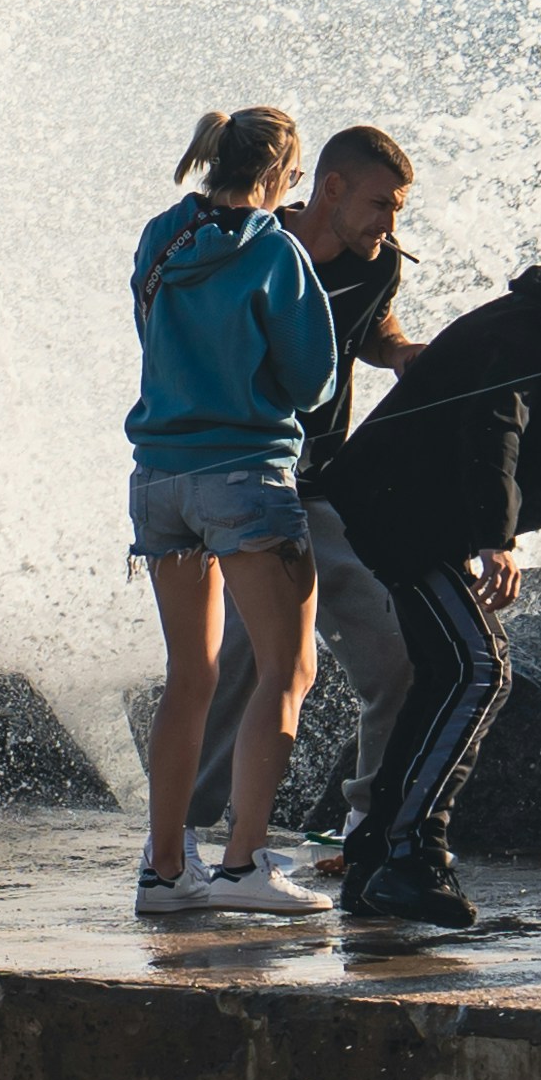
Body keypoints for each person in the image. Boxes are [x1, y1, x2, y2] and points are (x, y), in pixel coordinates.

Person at [309, 241, 541, 928]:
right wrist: (495, 540)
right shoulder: (526, 331)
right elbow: (492, 428)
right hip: (388, 513)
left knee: (461, 670)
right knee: (475, 668)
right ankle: (407, 855)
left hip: (424, 522)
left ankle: (378, 858)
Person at [126, 105, 343, 917]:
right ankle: (245, 863)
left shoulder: (160, 236)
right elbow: (309, 384)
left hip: (157, 479)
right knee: (288, 671)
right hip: (245, 478)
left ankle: (164, 872)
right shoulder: (277, 253)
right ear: (285, 174)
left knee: (191, 675)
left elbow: (149, 329)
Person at [185, 123, 427, 844]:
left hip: (322, 490)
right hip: (240, 479)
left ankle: (367, 830)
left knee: (394, 662)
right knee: (247, 661)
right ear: (329, 189)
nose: (388, 224)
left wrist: (401, 352)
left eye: (398, 210)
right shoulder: (255, 246)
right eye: (381, 204)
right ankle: (187, 837)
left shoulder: (377, 264)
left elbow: (371, 325)